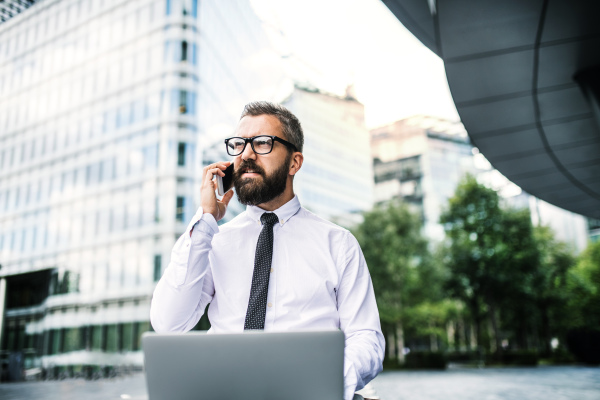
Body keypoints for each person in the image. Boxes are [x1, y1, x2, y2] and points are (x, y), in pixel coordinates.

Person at [150, 101, 384, 400]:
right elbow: (168, 324)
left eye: (262, 143)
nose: (246, 154)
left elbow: (366, 339)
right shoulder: (213, 241)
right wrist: (205, 219)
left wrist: (321, 385)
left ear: (294, 162)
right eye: (238, 144)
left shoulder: (338, 243)